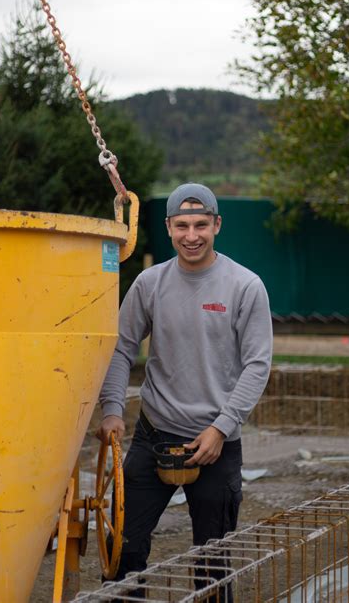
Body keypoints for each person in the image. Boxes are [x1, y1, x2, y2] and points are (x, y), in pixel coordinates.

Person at [97, 183, 272, 600]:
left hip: (216, 444)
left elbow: (257, 365)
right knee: (123, 550)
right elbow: (121, 349)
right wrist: (112, 409)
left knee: (213, 563)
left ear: (217, 225)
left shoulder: (245, 286)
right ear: (168, 228)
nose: (191, 235)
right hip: (154, 436)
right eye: (181, 226)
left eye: (200, 225)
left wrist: (221, 428)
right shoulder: (149, 284)